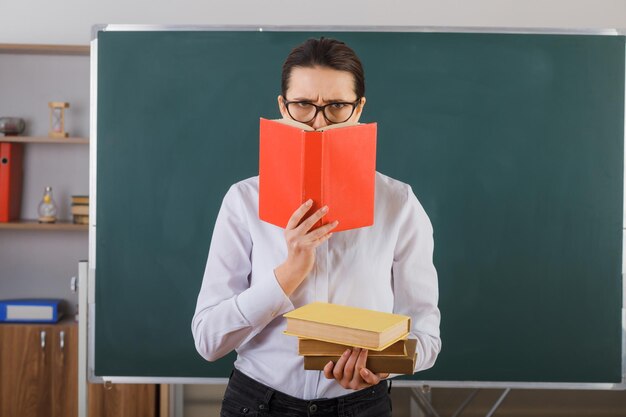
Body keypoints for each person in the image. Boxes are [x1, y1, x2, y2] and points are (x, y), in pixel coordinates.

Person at [192, 37, 441, 417]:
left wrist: (382, 365)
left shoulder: (398, 203)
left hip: (360, 405)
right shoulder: (244, 200)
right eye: (303, 105)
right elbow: (208, 339)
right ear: (282, 107)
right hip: (258, 402)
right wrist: (287, 275)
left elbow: (426, 334)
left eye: (337, 106)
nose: (319, 122)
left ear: (359, 109)